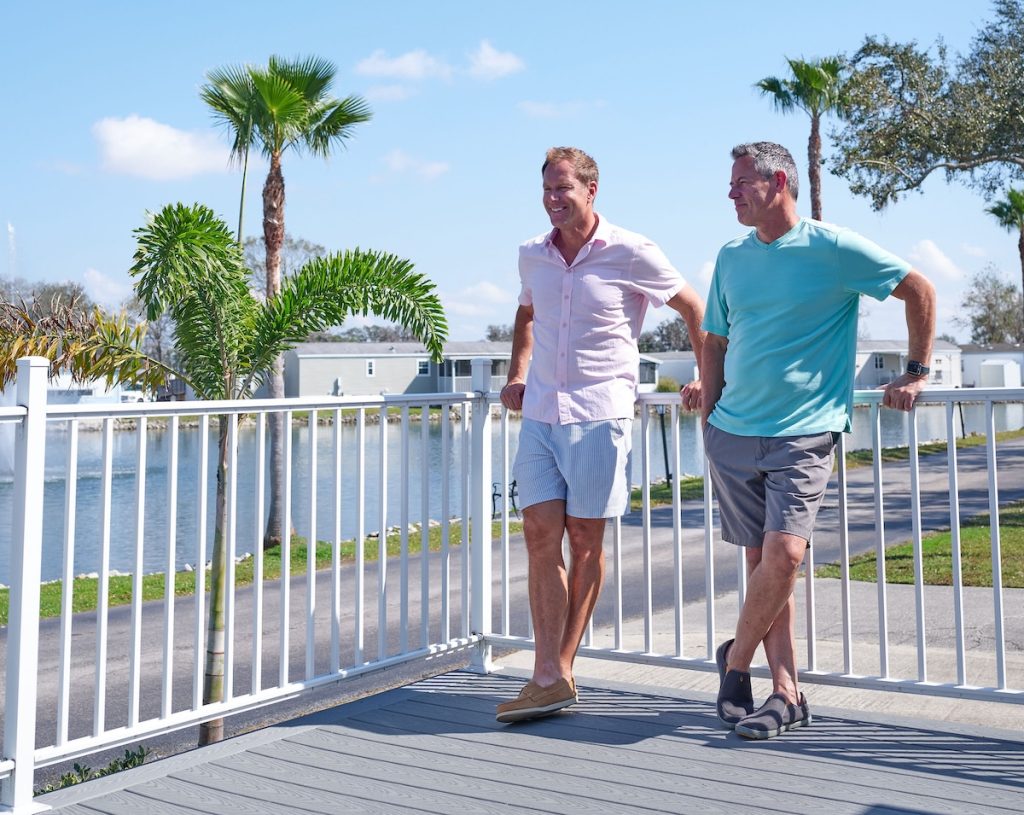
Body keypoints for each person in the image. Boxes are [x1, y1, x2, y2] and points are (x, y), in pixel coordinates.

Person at [703, 141, 936, 739]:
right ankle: (786, 694)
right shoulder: (731, 256)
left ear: (779, 181)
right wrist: (708, 415)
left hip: (804, 432)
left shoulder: (832, 248)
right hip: (734, 432)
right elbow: (716, 340)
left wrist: (915, 371)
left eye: (741, 182)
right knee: (763, 566)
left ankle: (735, 665)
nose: (730, 193)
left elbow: (919, 290)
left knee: (784, 556)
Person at [496, 146, 707, 723]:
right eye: (547, 189)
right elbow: (527, 314)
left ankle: (559, 669)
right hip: (540, 414)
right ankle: (546, 673)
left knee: (585, 540)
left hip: (600, 413)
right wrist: (516, 374)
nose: (553, 198)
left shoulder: (631, 251)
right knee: (539, 534)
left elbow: (693, 308)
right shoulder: (531, 255)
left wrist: (705, 377)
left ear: (591, 190)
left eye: (563, 188)